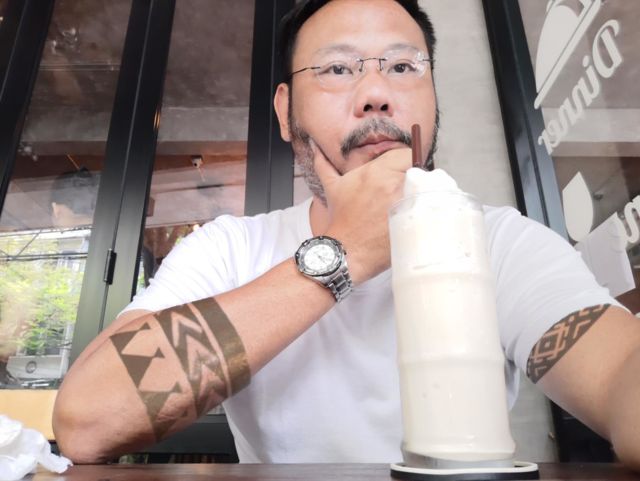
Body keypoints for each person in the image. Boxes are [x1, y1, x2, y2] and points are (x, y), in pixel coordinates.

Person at [52, 0, 640, 468]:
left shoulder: (502, 243)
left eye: (403, 67)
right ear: (285, 113)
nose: (377, 94)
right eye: (337, 69)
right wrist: (346, 252)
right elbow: (88, 420)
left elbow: (620, 375)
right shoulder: (229, 249)